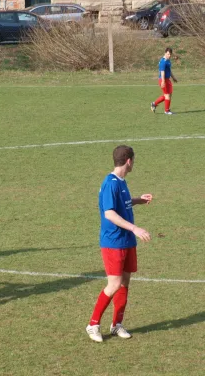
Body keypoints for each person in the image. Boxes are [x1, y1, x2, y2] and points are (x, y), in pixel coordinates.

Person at [86, 145, 152, 342]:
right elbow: (109, 213)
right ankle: (93, 324)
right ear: (129, 161)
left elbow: (122, 203)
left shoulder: (121, 182)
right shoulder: (110, 183)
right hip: (113, 242)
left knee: (124, 283)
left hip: (126, 242)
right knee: (114, 284)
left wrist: (138, 200)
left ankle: (116, 325)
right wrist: (135, 228)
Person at [151, 47, 178, 115]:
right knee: (167, 96)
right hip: (163, 80)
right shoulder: (163, 62)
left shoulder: (168, 60)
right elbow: (162, 72)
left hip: (167, 80)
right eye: (168, 54)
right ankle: (167, 111)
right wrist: (163, 81)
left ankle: (154, 104)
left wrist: (173, 77)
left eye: (170, 54)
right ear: (165, 53)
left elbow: (169, 70)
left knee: (168, 95)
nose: (169, 55)